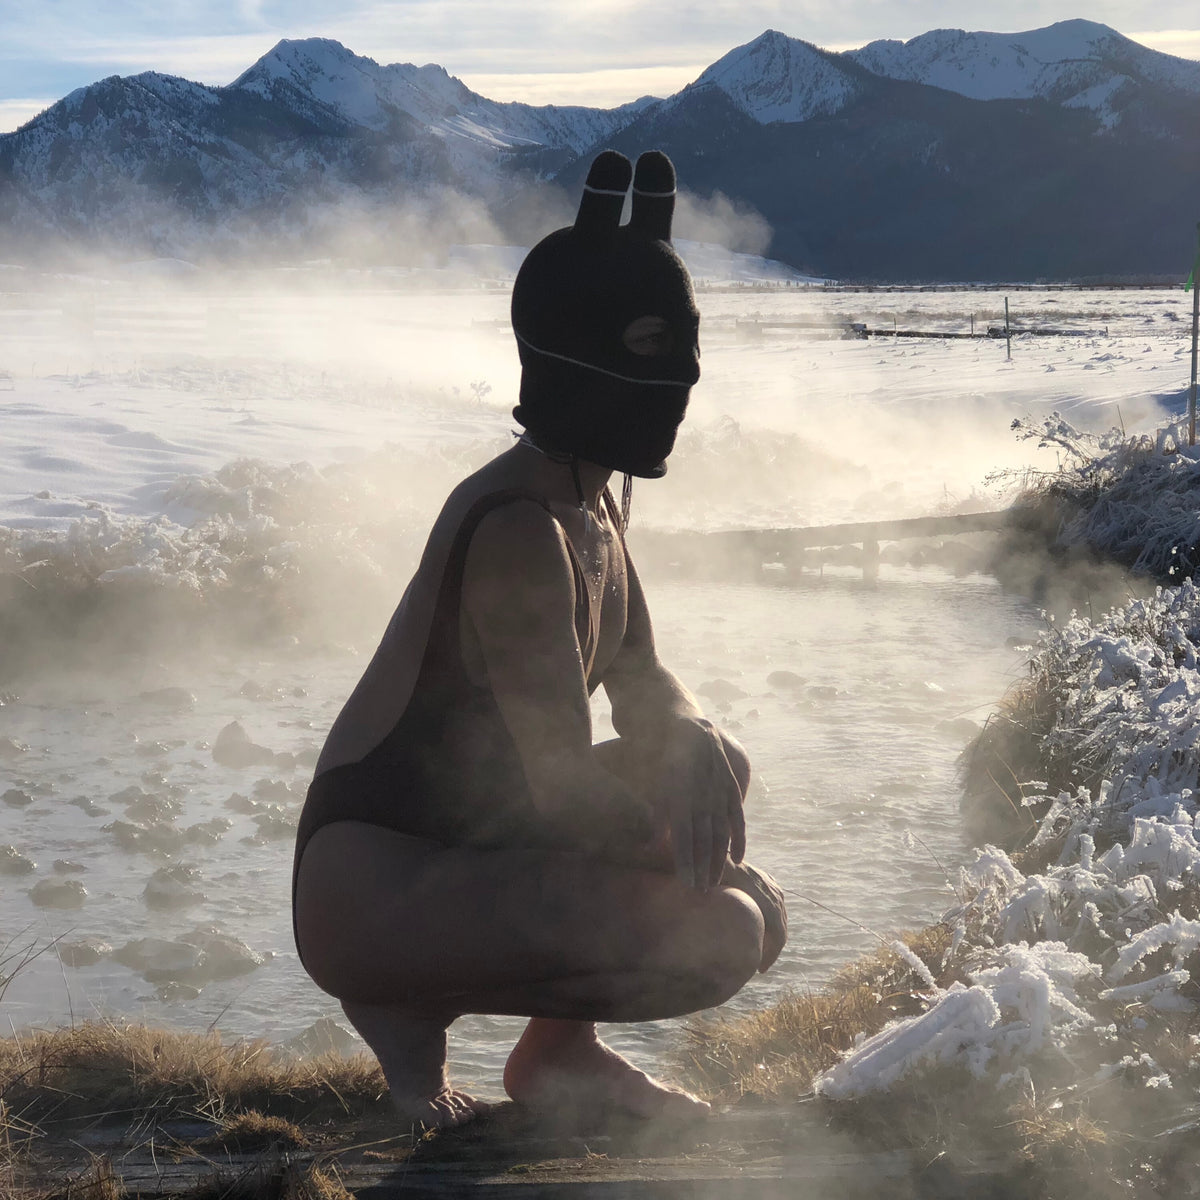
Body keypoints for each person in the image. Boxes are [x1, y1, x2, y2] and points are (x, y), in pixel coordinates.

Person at [292, 148, 787, 1131]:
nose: (682, 375)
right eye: (652, 345)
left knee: (718, 783)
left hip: (466, 847)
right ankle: (402, 1007)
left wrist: (688, 748)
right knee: (723, 930)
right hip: (379, 881)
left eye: (685, 343)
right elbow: (556, 790)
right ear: (577, 352)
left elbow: (648, 679)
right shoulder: (519, 526)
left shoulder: (592, 503)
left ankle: (561, 1052)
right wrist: (689, 861)